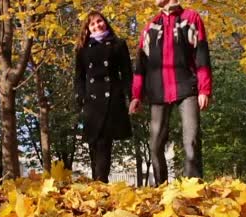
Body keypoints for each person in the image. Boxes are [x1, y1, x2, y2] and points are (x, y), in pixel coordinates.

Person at [129, 0, 213, 186]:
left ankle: (194, 190)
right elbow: (141, 65)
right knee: (155, 145)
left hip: (187, 87)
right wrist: (136, 95)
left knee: (191, 141)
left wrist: (204, 89)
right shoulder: (151, 26)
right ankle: (161, 188)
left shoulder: (190, 18)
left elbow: (201, 54)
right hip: (158, 92)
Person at [74, 11, 133, 183]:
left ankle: (101, 183)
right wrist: (80, 96)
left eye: (99, 21)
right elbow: (79, 76)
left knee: (104, 143)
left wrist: (132, 97)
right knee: (93, 143)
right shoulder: (82, 49)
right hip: (91, 102)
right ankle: (97, 183)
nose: (97, 25)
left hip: (111, 100)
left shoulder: (118, 45)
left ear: (105, 22)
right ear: (88, 28)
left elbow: (127, 74)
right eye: (92, 24)